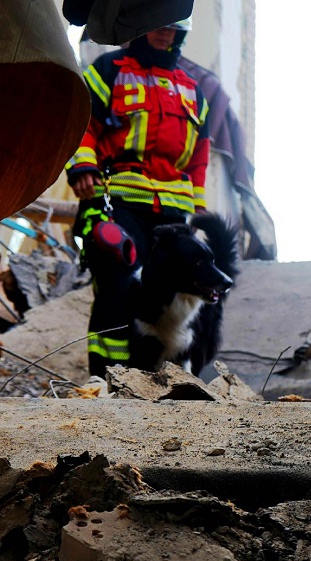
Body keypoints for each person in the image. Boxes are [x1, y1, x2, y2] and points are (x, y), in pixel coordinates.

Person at [65, 19, 210, 377]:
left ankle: (167, 380)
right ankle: (108, 379)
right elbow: (81, 122)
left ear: (181, 33)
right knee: (117, 289)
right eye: (158, 24)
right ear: (141, 24)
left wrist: (200, 208)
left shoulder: (193, 89)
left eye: (173, 27)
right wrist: (82, 166)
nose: (165, 32)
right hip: (120, 206)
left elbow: (199, 156)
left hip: (174, 218)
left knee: (177, 300)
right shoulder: (109, 69)